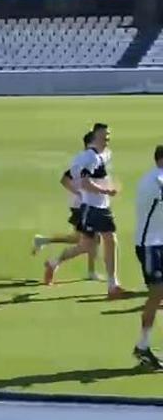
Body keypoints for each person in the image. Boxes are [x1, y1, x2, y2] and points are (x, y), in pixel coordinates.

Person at [43, 123, 127, 299]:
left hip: (101, 206)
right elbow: (85, 183)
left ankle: (53, 263)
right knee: (109, 239)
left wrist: (109, 186)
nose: (108, 138)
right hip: (92, 207)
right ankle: (113, 285)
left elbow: (99, 177)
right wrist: (107, 191)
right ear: (95, 136)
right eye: (104, 135)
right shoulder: (89, 157)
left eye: (109, 135)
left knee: (87, 246)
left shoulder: (104, 155)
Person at [32, 132, 99, 281]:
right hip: (81, 207)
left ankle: (43, 241)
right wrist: (80, 194)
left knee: (83, 238)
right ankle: (55, 261)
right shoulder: (86, 160)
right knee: (89, 240)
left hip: (85, 206)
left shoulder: (92, 159)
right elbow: (64, 179)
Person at [132, 145, 163, 369]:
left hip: (158, 242)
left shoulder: (152, 178)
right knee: (157, 292)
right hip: (150, 245)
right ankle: (142, 347)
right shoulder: (156, 180)